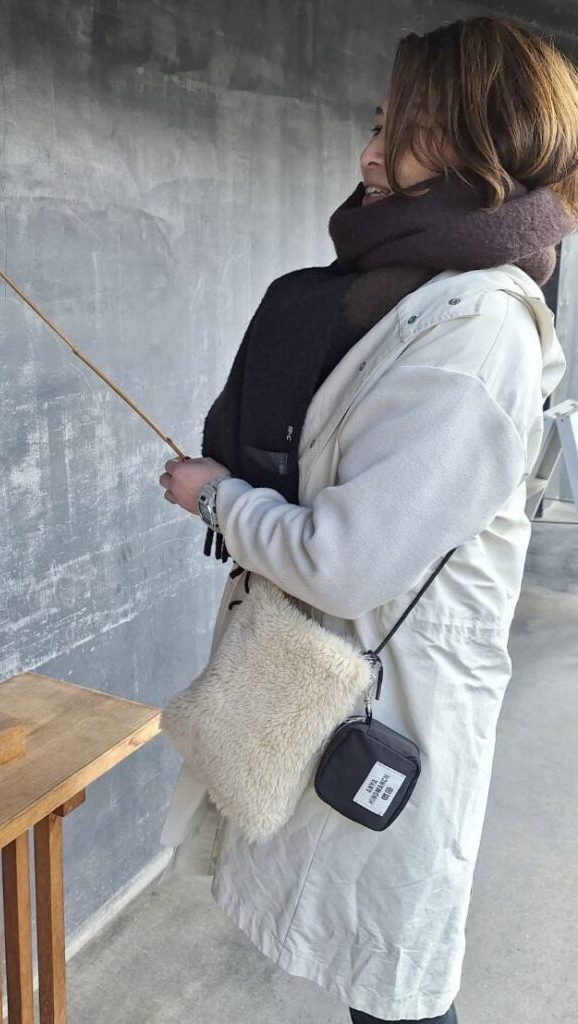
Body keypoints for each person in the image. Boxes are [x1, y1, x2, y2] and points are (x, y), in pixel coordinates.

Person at [156, 17, 578, 1024]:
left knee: (397, 984)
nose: (371, 152)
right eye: (379, 119)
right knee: (373, 976)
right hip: (353, 673)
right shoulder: (420, 291)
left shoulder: (478, 328)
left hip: (398, 695)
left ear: (487, 143)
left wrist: (215, 494)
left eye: (410, 127)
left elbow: (345, 563)